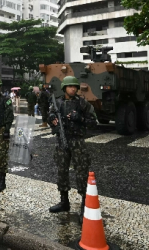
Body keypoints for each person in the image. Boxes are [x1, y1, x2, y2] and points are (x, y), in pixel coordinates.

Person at [47, 76, 94, 218]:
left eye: (75, 86)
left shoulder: (82, 103)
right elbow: (50, 115)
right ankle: (64, 201)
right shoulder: (58, 103)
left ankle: (84, 206)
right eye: (70, 86)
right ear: (64, 88)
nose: (73, 89)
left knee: (81, 173)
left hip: (77, 142)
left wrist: (79, 118)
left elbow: (93, 122)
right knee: (62, 171)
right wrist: (51, 120)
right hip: (62, 141)